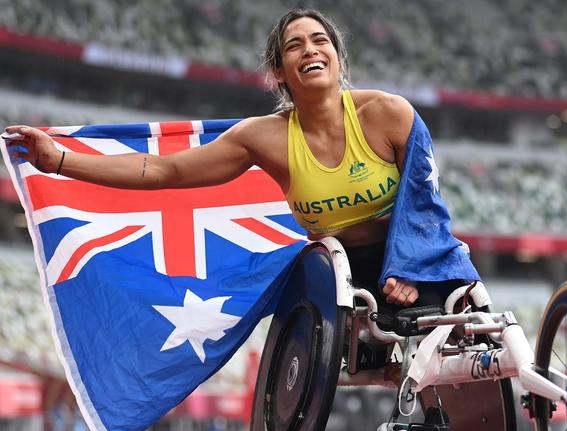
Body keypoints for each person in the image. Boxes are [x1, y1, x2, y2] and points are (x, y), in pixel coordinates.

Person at [5, 8, 466, 330]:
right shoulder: (262, 137)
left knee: (461, 320)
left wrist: (409, 267)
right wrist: (57, 160)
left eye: (320, 40)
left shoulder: (389, 113)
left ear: (338, 58)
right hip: (341, 275)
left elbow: (424, 203)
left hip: (413, 258)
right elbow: (162, 171)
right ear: (279, 71)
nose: (310, 50)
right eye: (295, 46)